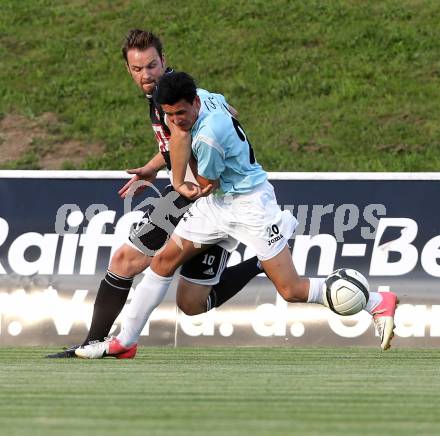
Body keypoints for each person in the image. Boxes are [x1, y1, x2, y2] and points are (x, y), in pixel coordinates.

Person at [76, 72, 398, 359]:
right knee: (165, 266)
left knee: (291, 290)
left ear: (194, 102)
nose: (176, 120)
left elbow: (203, 184)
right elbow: (231, 111)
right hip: (218, 205)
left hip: (250, 205)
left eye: (182, 113)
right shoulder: (207, 97)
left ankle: (376, 301)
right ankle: (125, 342)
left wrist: (179, 180)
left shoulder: (208, 137)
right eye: (169, 115)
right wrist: (178, 163)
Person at [46, 30, 263, 359]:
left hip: (196, 193)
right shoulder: (176, 91)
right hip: (201, 194)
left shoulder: (170, 98)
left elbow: (182, 136)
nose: (146, 75)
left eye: (151, 66)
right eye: (137, 69)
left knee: (125, 260)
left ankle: (102, 343)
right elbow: (209, 111)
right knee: (192, 303)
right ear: (128, 70)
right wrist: (152, 166)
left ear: (163, 61)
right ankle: (260, 263)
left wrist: (177, 182)